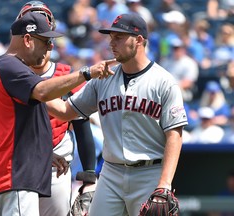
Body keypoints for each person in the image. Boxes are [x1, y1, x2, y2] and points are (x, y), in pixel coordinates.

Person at [0, 11, 115, 216]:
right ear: (28, 39)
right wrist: (87, 73)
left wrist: (46, 154)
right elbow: (42, 91)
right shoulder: (10, 66)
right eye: (45, 41)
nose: (50, 47)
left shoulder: (14, 73)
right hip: (13, 179)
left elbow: (64, 112)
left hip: (8, 178)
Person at [47, 13, 188, 216]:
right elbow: (66, 112)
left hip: (149, 172)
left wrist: (164, 184)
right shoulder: (103, 78)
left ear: (139, 40)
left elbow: (175, 135)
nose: (112, 43)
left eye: (119, 37)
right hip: (111, 173)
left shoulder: (163, 82)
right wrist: (34, 92)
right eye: (111, 37)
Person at [16, 2, 97, 215]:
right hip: (15, 166)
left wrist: (89, 176)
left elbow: (81, 124)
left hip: (56, 171)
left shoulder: (66, 76)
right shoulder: (8, 72)